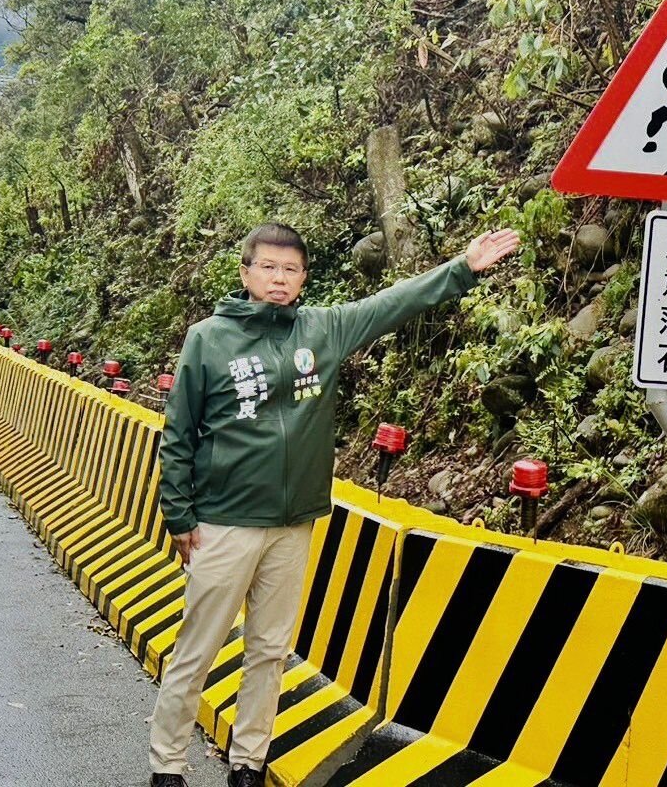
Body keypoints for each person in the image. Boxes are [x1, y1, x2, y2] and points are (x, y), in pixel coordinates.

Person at [148, 222, 521, 787]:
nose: (279, 278)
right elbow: (179, 433)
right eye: (268, 267)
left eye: (291, 269)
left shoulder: (323, 330)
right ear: (245, 272)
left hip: (292, 523)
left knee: (269, 652)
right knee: (196, 652)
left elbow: (392, 304)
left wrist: (463, 268)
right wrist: (179, 514)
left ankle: (248, 762)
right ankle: (167, 767)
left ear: (303, 278)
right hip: (223, 523)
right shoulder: (208, 338)